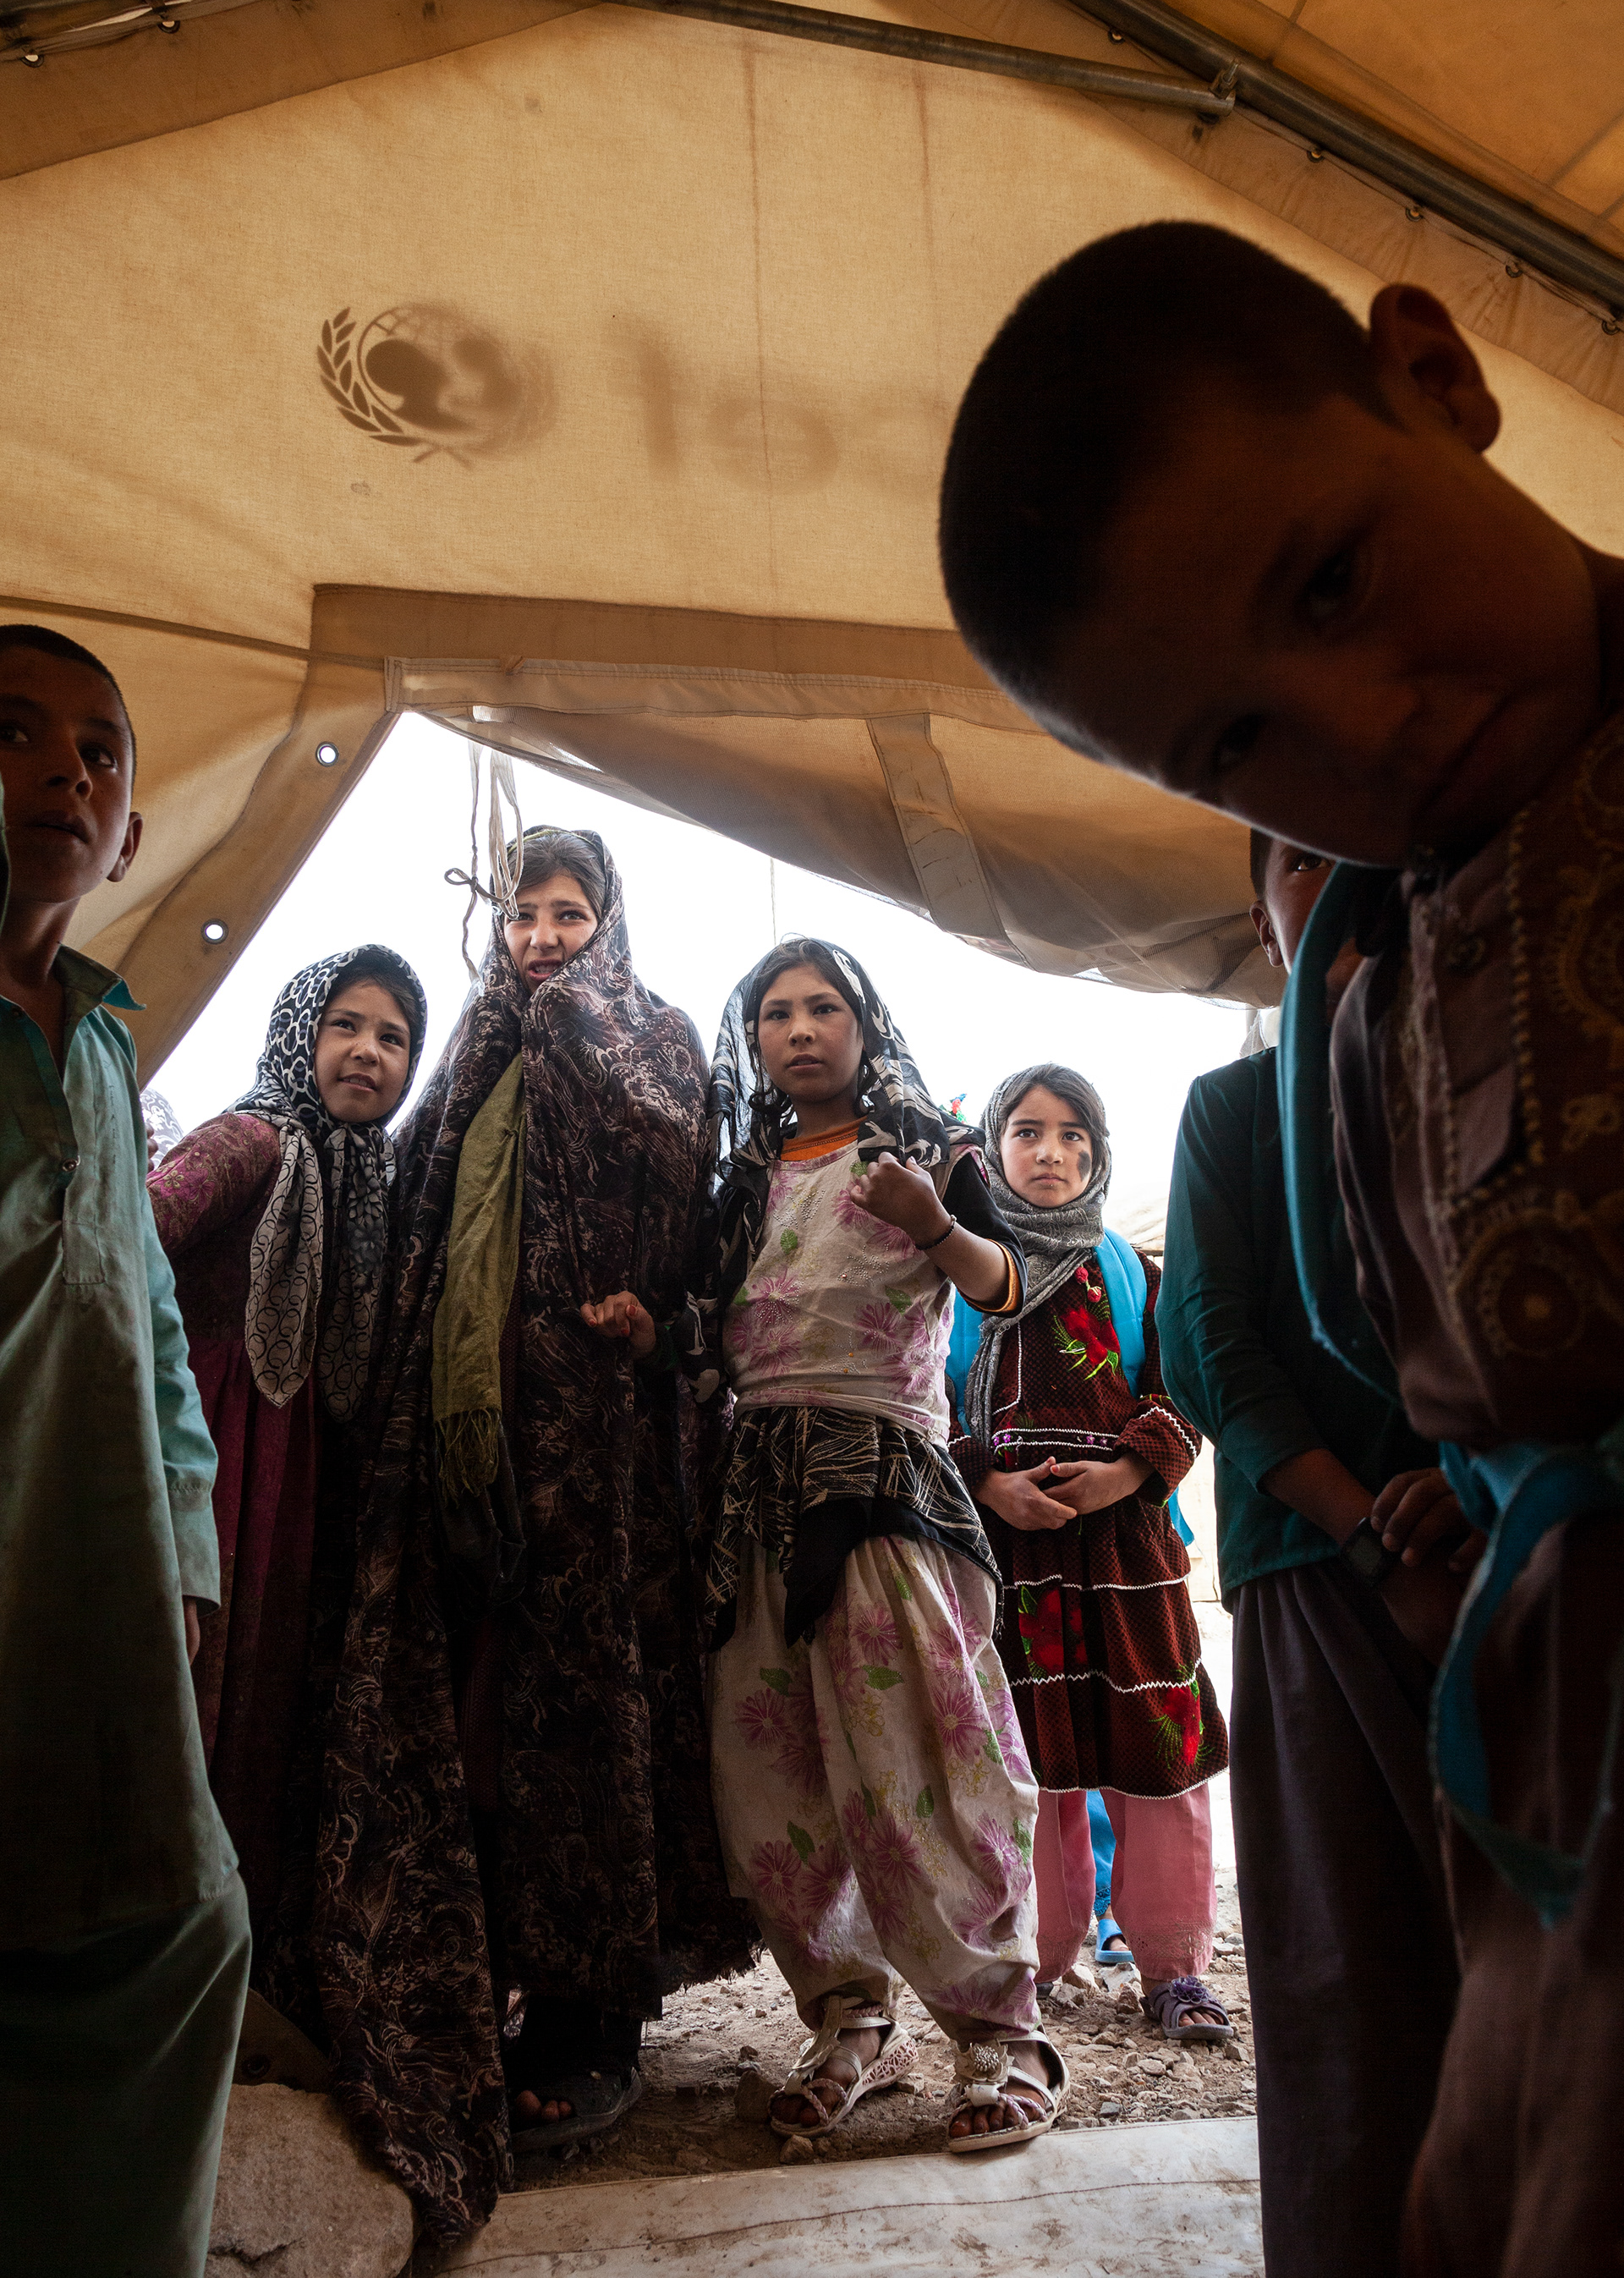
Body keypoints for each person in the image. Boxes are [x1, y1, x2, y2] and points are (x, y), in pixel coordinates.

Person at [938, 220, 1624, 2275]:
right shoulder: (1363, 978)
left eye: (1330, 578)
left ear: (1435, 374)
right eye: (1238, 746)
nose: (1361, 723)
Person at [302, 826, 750, 2242]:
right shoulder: (479, 1051)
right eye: (523, 914)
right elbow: (430, 1220)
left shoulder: (651, 1031)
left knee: (590, 1722)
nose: (542, 935)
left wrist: (575, 1016)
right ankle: (508, 1977)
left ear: (608, 921)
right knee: (490, 1721)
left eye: (567, 913)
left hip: (602, 1454)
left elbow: (680, 1162)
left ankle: (593, 2014)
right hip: (471, 1452)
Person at [591, 939, 1070, 2151]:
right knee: (777, 1781)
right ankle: (849, 2021)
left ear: (865, 1020)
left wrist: (933, 1226)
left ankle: (1003, 2037)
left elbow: (1012, 1284)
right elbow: (714, 1337)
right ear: (753, 1043)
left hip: (884, 1496)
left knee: (926, 1765)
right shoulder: (744, 1177)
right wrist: (657, 1333)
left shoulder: (926, 1148)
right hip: (757, 1505)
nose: (801, 1029)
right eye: (776, 1015)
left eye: (825, 1007)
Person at [1160, 832, 1465, 2278]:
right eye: (1294, 860)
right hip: (1311, 1570)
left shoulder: (1474, 1084)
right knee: (1348, 1970)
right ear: (1260, 902)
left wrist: (1465, 1494)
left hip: (1496, 1554)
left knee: (1528, 1963)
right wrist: (1362, 1520)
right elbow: (1219, 1352)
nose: (1333, 885)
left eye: (1366, 851)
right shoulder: (1229, 1109)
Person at [0, 625, 248, 2278]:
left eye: (99, 753)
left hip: (89, 1574)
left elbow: (149, 1318)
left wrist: (183, 1550)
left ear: (132, 836)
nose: (64, 773)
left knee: (173, 1925)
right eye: (13, 733)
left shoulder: (95, 1042)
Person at [147, 945, 427, 1945]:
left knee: (257, 1703)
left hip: (291, 1468)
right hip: (207, 1447)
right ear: (298, 1035)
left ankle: (226, 1949)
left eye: (393, 1037)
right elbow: (133, 1230)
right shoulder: (252, 1139)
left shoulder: (373, 1180)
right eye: (343, 1026)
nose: (366, 1052)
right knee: (183, 1690)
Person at [948, 1063, 1230, 2041]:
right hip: (1008, 1558)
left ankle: (1174, 1968)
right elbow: (927, 1409)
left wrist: (1122, 1474)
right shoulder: (956, 1281)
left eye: (1075, 1134)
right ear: (991, 1151)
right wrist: (987, 1483)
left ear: (1100, 1155)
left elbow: (1185, 1392)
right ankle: (1040, 1957)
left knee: (1158, 1753)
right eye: (1028, 1130)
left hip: (1129, 1553)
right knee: (1031, 1763)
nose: (1053, 1151)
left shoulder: (1136, 1274)